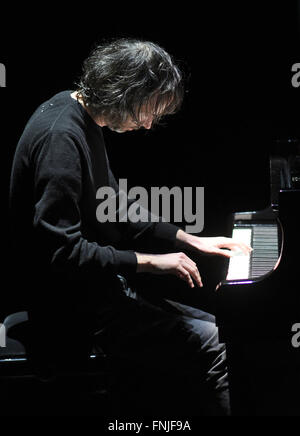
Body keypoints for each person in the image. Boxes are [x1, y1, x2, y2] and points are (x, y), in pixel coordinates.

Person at [9, 38, 251, 415]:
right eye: (148, 111)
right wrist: (153, 262)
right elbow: (61, 252)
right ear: (126, 91)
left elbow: (113, 204)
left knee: (217, 325)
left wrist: (189, 239)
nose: (149, 124)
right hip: (69, 312)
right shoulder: (61, 137)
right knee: (210, 342)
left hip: (96, 292)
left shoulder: (79, 113)